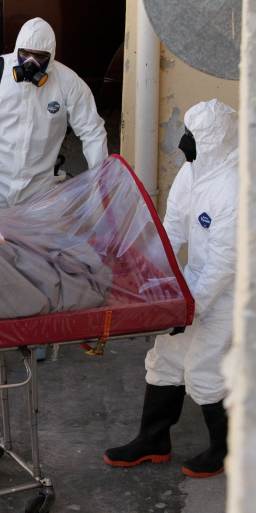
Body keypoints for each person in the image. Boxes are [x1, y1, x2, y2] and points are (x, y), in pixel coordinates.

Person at [0, 17, 107, 377]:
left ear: (51, 57)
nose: (31, 63)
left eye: (39, 57)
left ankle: (35, 335)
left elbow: (93, 131)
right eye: (25, 54)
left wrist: (99, 178)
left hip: (39, 190)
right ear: (16, 51)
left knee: (39, 264)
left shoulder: (68, 84)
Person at [103, 99, 238, 478]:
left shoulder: (235, 187)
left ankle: (227, 449)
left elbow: (226, 263)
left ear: (214, 140)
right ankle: (153, 440)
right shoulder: (194, 171)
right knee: (166, 359)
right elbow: (172, 230)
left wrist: (186, 309)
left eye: (194, 135)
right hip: (197, 281)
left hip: (232, 292)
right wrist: (154, 280)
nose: (184, 140)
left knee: (205, 370)